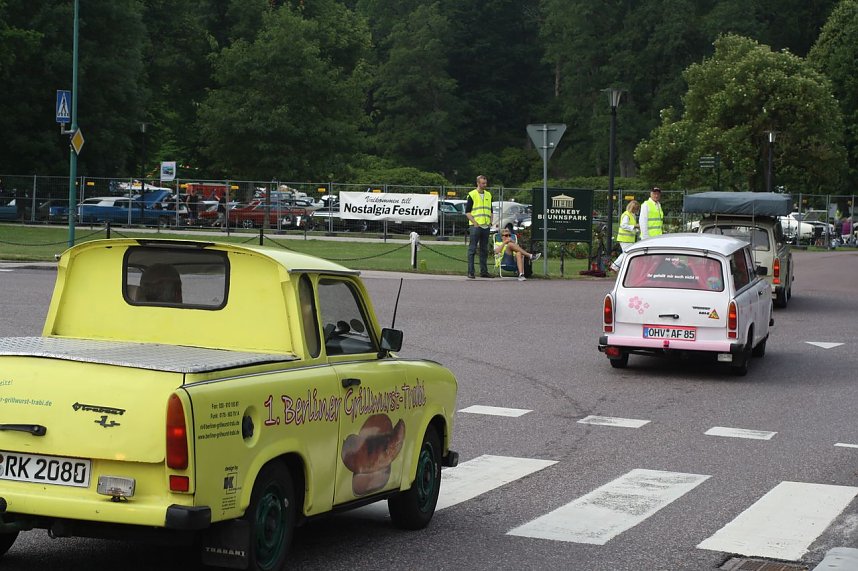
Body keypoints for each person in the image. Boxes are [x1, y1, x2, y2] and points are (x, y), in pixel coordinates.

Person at [465, 175, 493, 278]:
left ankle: (484, 271)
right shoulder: (472, 195)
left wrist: (491, 221)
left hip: (485, 226)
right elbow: (467, 212)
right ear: (478, 183)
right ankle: (471, 272)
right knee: (472, 249)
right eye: (482, 183)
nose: (485, 185)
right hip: (475, 226)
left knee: (484, 250)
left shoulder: (488, 195)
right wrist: (474, 223)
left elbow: (490, 209)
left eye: (485, 183)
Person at [610, 199, 640, 272]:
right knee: (627, 253)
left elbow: (631, 227)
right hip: (624, 238)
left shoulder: (632, 215)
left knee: (626, 253)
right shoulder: (627, 215)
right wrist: (635, 226)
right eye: (635, 209)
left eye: (637, 209)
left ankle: (616, 267)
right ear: (632, 208)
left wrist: (637, 230)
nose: (636, 210)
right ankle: (614, 266)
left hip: (628, 239)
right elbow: (623, 225)